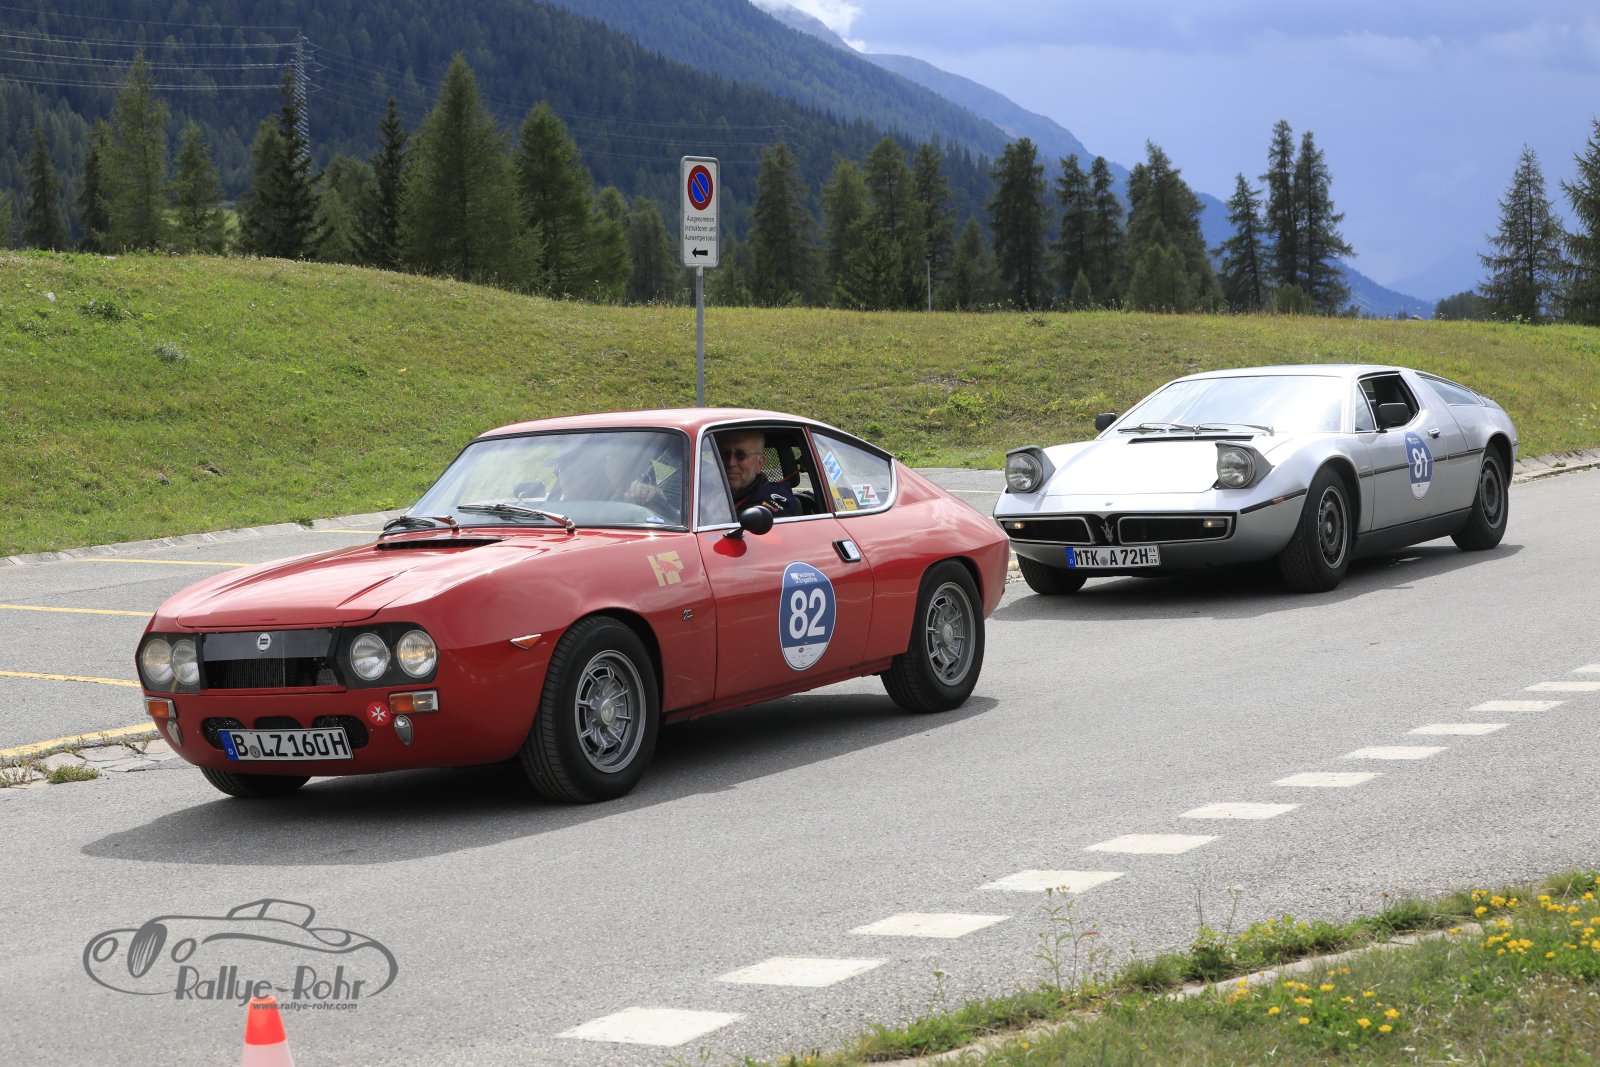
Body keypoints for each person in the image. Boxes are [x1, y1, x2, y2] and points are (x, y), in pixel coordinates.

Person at [718, 429, 800, 517]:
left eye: (740, 455)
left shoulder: (773, 498)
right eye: (724, 455)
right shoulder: (710, 492)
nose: (731, 463)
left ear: (760, 463)